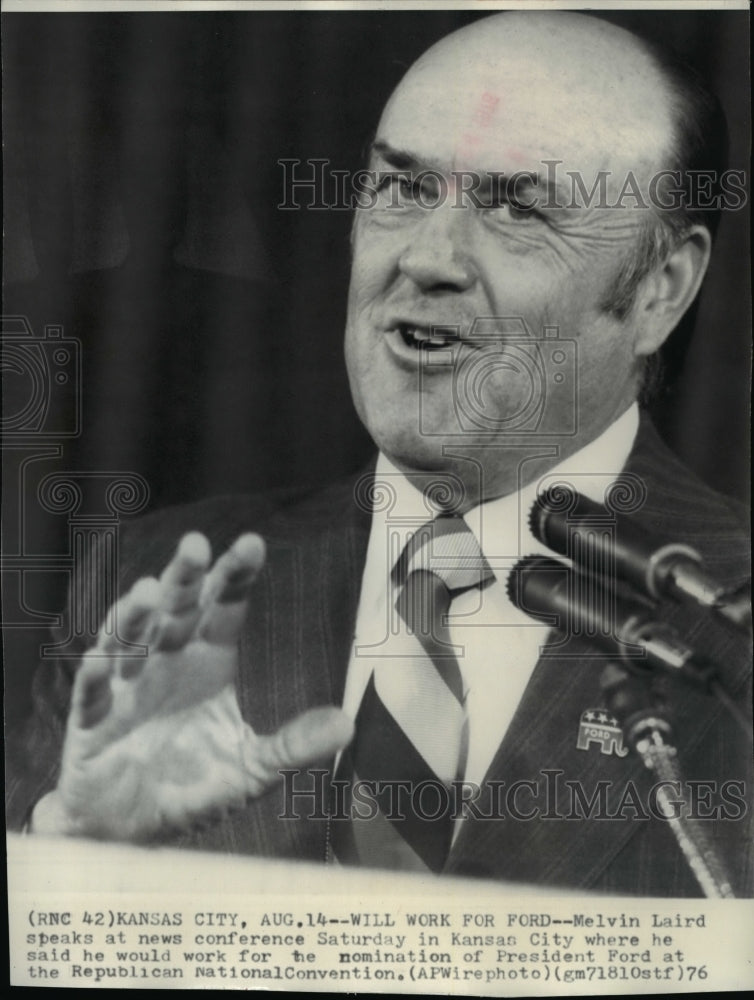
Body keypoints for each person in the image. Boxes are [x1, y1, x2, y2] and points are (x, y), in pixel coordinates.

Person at [6, 11, 751, 895]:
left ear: (660, 289)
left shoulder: (730, 616)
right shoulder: (156, 580)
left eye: (517, 205)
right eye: (401, 188)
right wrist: (73, 858)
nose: (429, 259)